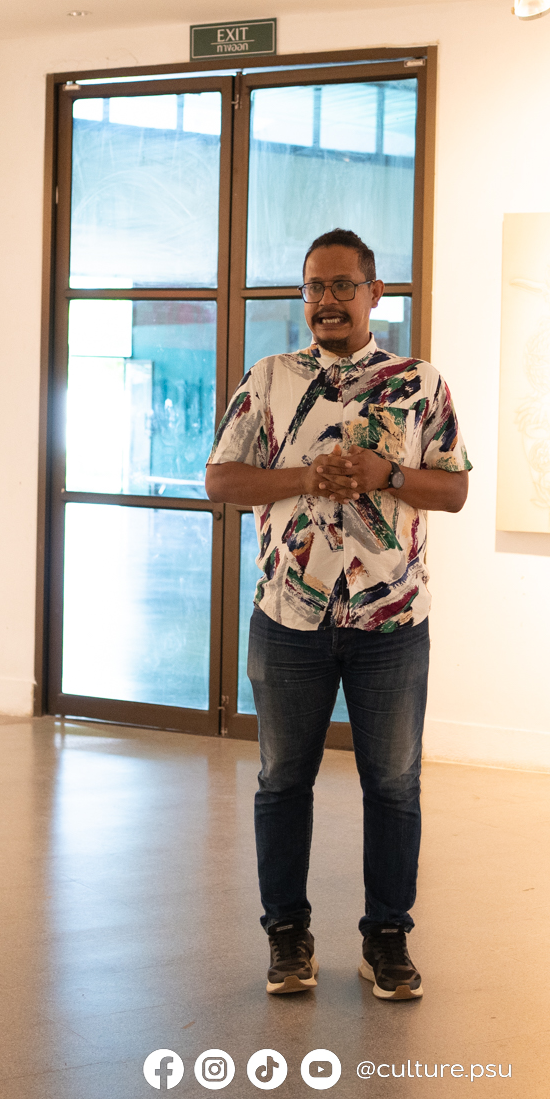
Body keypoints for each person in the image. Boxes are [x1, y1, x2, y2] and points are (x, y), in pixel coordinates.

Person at [204, 227, 472, 1003]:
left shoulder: (419, 383)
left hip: (392, 622)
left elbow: (455, 489)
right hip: (290, 617)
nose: (327, 300)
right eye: (315, 287)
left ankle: (387, 938)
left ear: (374, 294)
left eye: (343, 285)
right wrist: (304, 477)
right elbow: (220, 480)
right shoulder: (270, 379)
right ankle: (287, 935)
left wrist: (388, 473)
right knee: (283, 781)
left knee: (394, 785)